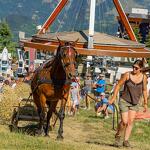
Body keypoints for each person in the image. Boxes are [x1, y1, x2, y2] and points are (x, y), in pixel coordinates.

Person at [108, 59, 148, 147]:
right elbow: (118, 85)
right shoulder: (127, 75)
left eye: (136, 68)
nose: (134, 69)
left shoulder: (144, 77)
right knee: (124, 121)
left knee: (130, 122)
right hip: (124, 101)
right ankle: (118, 136)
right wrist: (113, 97)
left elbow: (145, 90)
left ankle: (125, 141)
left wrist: (145, 103)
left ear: (140, 69)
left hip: (135, 102)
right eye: (133, 67)